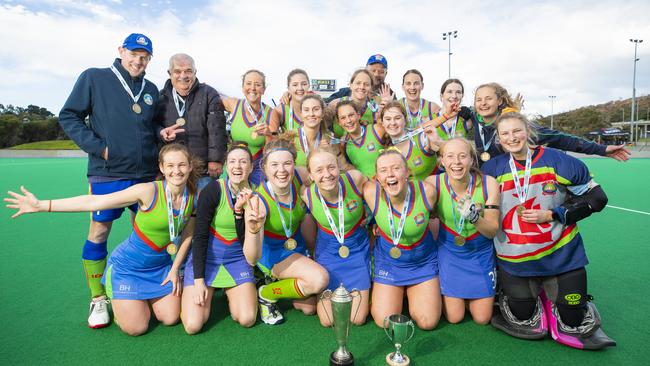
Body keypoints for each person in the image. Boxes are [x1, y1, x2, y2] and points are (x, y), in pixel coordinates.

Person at [5, 144, 199, 336]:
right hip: (127, 268)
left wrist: (175, 270)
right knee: (137, 328)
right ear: (161, 168)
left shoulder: (192, 196)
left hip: (160, 268)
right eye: (171, 166)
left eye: (182, 165)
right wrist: (42, 205)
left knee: (170, 318)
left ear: (190, 166)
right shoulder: (147, 191)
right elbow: (95, 201)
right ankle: (116, 293)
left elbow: (188, 235)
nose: (177, 171)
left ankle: (139, 299)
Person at [57, 33, 181, 328]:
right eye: (135, 53)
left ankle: (153, 283)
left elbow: (148, 125)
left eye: (145, 56)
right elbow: (69, 116)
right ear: (121, 51)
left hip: (146, 175)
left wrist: (159, 134)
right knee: (99, 231)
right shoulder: (94, 77)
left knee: (159, 233)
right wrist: (100, 148)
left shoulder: (150, 89)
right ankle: (98, 297)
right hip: (108, 172)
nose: (139, 60)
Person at [481, 112, 616, 350]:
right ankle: (535, 295)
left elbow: (598, 198)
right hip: (515, 257)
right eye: (505, 134)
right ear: (499, 140)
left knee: (573, 318)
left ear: (528, 132)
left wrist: (555, 214)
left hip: (561, 254)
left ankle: (562, 300)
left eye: (516, 131)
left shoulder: (558, 161)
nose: (512, 138)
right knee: (522, 316)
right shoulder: (491, 169)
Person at [243, 135, 329, 325]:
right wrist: (253, 229)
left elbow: (325, 176)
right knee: (318, 280)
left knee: (309, 308)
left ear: (294, 164)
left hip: (297, 248)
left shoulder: (299, 176)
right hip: (273, 255)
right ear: (264, 168)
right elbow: (251, 258)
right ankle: (266, 293)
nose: (281, 170)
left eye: (287, 163)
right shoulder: (257, 202)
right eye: (274, 165)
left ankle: (281, 286)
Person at [179, 142, 258, 334]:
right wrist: (199, 280)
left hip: (237, 259)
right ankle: (201, 285)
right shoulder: (213, 190)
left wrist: (240, 212)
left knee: (247, 319)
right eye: (232, 161)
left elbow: (245, 238)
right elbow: (200, 236)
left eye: (243, 162)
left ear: (251, 167)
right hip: (207, 260)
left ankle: (233, 292)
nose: (237, 166)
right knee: (193, 325)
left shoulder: (257, 194)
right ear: (225, 166)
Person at [363, 149, 441, 329]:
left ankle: (412, 294)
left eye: (396, 168)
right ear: (377, 177)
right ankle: (398, 294)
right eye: (383, 170)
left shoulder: (427, 191)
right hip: (389, 263)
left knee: (427, 322)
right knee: (385, 321)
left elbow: (439, 218)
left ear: (407, 173)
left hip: (422, 262)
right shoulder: (370, 193)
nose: (390, 174)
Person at [425, 138, 499, 324]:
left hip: (479, 253)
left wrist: (474, 217)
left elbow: (491, 231)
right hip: (450, 252)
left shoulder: (488, 183)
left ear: (472, 160)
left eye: (462, 156)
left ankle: (482, 294)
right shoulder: (432, 182)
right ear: (441, 161)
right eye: (450, 156)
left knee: (482, 319)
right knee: (454, 317)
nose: (456, 162)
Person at [471, 82, 630, 165]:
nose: (483, 103)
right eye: (479, 99)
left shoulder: (513, 124)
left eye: (488, 98)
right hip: (486, 183)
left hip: (511, 184)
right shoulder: (474, 118)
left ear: (499, 101)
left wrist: (601, 149)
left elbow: (559, 138)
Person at [301, 147, 371, 326]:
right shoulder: (306, 194)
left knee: (357, 318)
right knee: (327, 321)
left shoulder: (354, 179)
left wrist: (371, 218)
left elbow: (378, 195)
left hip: (357, 250)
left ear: (338, 166)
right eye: (319, 170)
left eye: (331, 167)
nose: (327, 174)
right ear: (310, 175)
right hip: (329, 253)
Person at [155, 53, 227, 188]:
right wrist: (161, 132)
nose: (183, 76)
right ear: (169, 73)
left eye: (188, 71)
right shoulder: (160, 97)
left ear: (195, 72)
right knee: (173, 207)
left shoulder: (209, 93)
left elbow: (216, 128)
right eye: (177, 71)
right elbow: (153, 125)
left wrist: (215, 159)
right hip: (172, 171)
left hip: (202, 170)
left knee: (202, 208)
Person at [380, 101, 458, 181]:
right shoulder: (385, 147)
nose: (392, 123)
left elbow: (454, 152)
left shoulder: (422, 138)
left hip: (432, 191)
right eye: (388, 119)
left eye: (397, 118)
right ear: (382, 123)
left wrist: (438, 141)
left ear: (405, 120)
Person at [222, 70, 273, 185]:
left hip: (257, 167)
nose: (253, 88)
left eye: (258, 85)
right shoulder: (233, 104)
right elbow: (212, 98)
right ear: (243, 87)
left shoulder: (271, 113)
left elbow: (272, 149)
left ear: (264, 89)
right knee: (228, 194)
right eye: (248, 83)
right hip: (235, 164)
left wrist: (269, 134)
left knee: (257, 197)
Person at [337, 100, 384, 178]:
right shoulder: (343, 143)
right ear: (339, 122)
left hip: (387, 184)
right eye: (343, 118)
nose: (348, 121)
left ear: (358, 115)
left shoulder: (376, 130)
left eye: (351, 115)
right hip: (364, 188)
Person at [328, 69, 381, 136]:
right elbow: (322, 127)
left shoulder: (377, 107)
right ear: (351, 85)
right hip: (339, 145)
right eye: (358, 83)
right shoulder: (335, 104)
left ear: (371, 87)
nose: (362, 87)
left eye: (366, 84)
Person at [325, 54, 394, 103]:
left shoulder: (390, 95)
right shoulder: (344, 93)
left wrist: (388, 107)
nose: (376, 74)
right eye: (373, 70)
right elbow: (325, 106)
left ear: (386, 74)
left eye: (381, 72)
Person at [270, 69, 311, 133]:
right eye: (295, 85)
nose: (300, 88)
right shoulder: (281, 110)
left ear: (309, 86)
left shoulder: (317, 106)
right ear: (288, 88)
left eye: (304, 84)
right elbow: (271, 138)